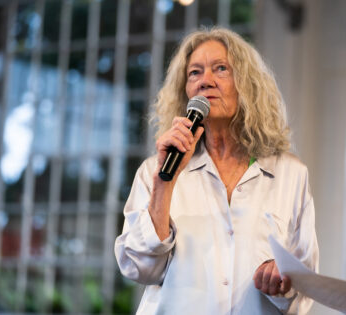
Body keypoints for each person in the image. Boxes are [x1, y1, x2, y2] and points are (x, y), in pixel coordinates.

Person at [114, 27, 318, 314]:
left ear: (246, 84)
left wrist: (284, 284)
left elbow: (305, 285)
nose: (205, 81)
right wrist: (165, 182)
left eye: (220, 69)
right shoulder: (156, 171)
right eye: (194, 73)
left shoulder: (291, 174)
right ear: (185, 91)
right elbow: (138, 267)